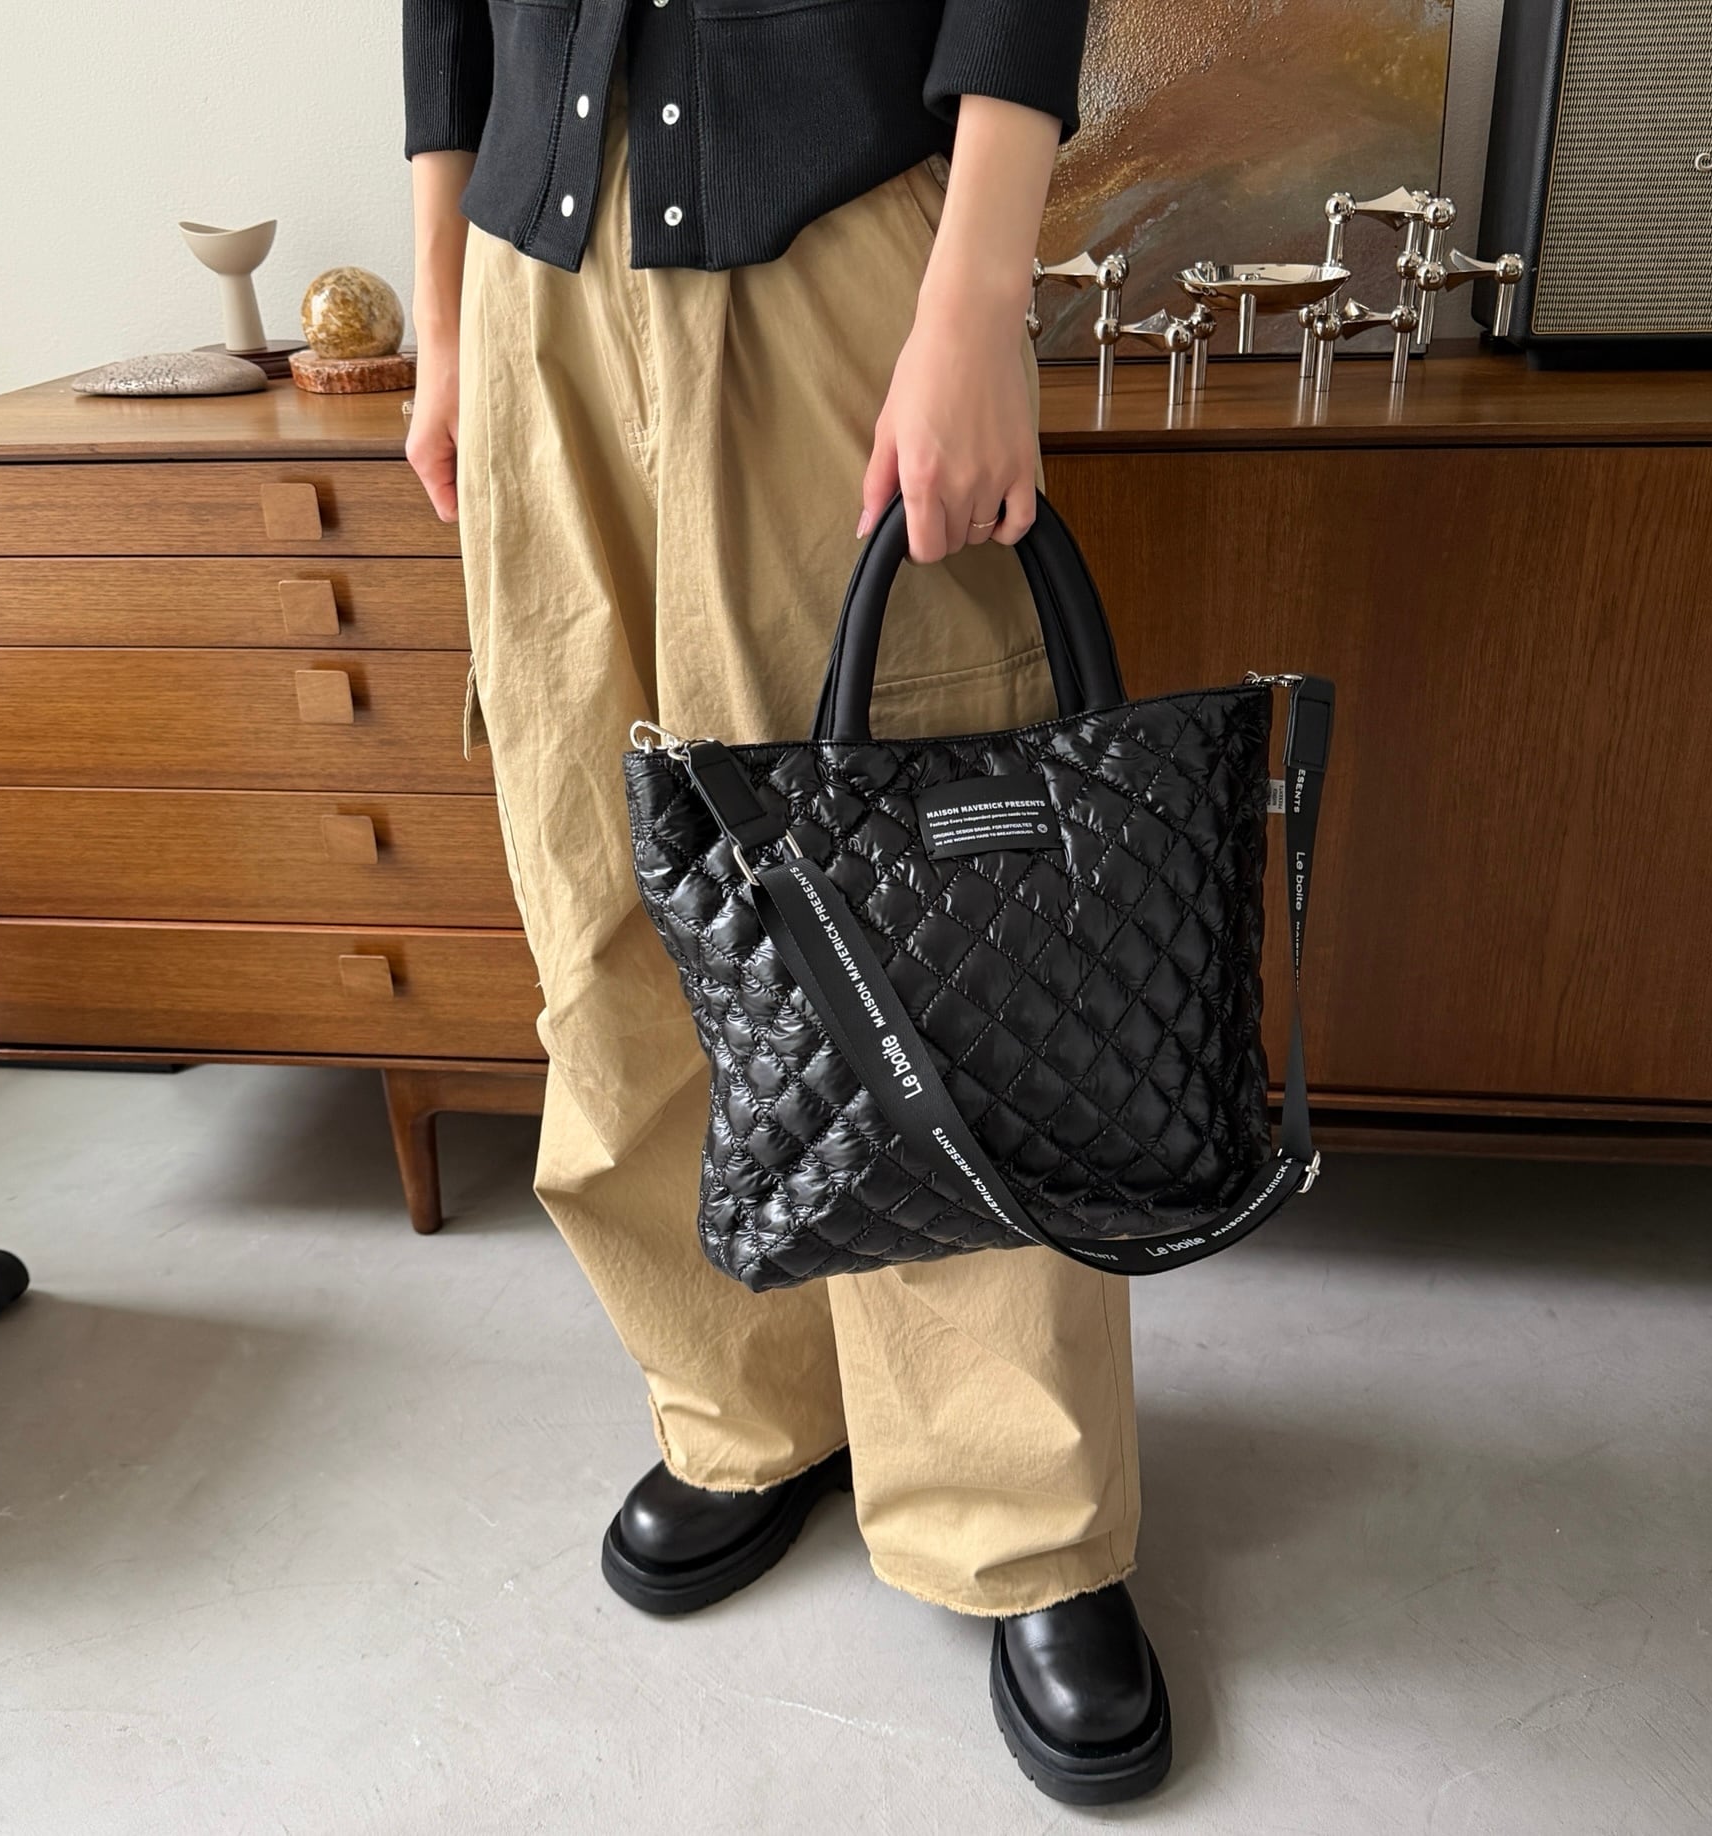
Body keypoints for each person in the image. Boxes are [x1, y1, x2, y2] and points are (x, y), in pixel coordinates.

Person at [402, 0, 1168, 1802]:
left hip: (839, 255)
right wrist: (440, 309)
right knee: (606, 897)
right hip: (530, 286)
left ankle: (1018, 1509)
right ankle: (744, 1407)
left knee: (929, 924)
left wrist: (977, 294)